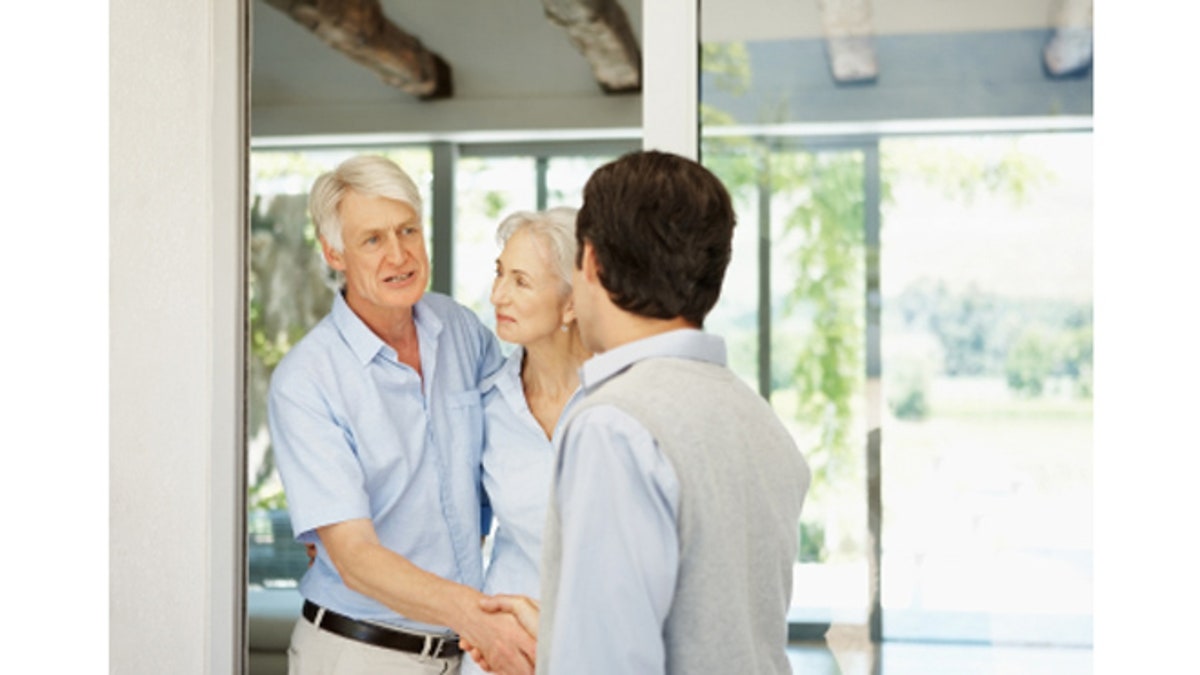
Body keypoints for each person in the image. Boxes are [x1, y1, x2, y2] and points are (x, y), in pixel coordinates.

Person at [483, 149, 813, 674]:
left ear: (590, 264)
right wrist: (561, 636)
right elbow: (708, 623)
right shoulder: (759, 420)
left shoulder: (615, 426)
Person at [267, 154, 536, 675]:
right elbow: (356, 558)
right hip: (362, 655)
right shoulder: (307, 381)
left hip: (459, 654)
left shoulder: (458, 328)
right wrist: (481, 620)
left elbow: (514, 438)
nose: (399, 254)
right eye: (372, 240)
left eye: (407, 230)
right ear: (334, 253)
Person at [459, 207, 590, 675]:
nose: (497, 295)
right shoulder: (488, 405)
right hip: (504, 658)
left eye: (520, 281)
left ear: (572, 303)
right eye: (499, 275)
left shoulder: (623, 401)